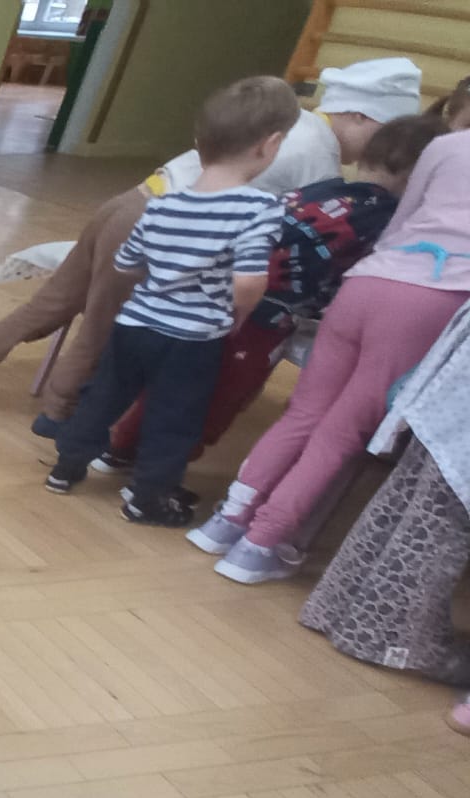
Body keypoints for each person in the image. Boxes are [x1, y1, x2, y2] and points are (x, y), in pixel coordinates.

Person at [0, 59, 426, 427]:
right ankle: (59, 412)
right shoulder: (317, 154)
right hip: (154, 221)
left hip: (132, 200)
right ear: (358, 115)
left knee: (59, 296)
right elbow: (297, 233)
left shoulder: (292, 124)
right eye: (384, 133)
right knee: (105, 324)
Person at [197, 128, 470, 581]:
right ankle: (259, 544)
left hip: (369, 280)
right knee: (343, 431)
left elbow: (402, 219)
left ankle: (226, 520)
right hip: (435, 297)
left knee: (303, 412)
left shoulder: (448, 144)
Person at [102, 115, 446, 474]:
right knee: (221, 396)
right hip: (262, 317)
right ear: (418, 177)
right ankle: (160, 475)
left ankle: (120, 445)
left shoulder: (323, 189)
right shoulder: (383, 218)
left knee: (175, 379)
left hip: (212, 293)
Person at [45, 78, 294, 528]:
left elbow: (126, 263)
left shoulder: (163, 204)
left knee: (104, 396)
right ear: (270, 145)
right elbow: (249, 281)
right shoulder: (259, 208)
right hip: (193, 338)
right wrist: (238, 314)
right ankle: (147, 497)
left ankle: (66, 468)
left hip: (135, 324)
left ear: (199, 143)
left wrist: (165, 277)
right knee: (173, 417)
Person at [299, 301, 470, 688]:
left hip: (450, 396)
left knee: (408, 508)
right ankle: (394, 640)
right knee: (437, 526)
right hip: (457, 415)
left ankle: (340, 610)